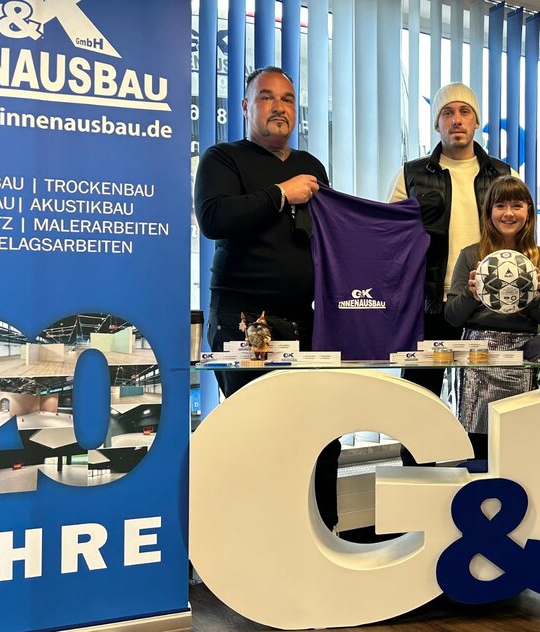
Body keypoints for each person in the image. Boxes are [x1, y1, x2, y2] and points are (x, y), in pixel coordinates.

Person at [194, 66, 342, 532]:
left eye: (288, 99)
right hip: (242, 321)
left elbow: (331, 236)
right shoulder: (223, 158)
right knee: (255, 436)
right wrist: (281, 193)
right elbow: (214, 218)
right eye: (266, 97)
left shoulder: (312, 165)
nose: (279, 107)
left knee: (320, 437)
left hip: (305, 320)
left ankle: (322, 538)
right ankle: (252, 542)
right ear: (245, 107)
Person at [387, 82, 514, 464]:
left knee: (484, 403)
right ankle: (414, 480)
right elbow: (390, 235)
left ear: (476, 122)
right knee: (419, 399)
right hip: (428, 305)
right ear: (437, 124)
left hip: (486, 307)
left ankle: (482, 483)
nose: (456, 119)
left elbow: (519, 233)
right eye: (447, 112)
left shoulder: (502, 173)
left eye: (464, 112)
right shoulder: (411, 174)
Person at [444, 176, 540, 460]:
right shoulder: (471, 255)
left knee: (517, 446)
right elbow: (452, 317)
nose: (508, 213)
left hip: (521, 355)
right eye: (500, 205)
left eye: (517, 205)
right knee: (476, 446)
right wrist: (472, 293)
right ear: (488, 212)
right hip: (476, 356)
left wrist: (531, 294)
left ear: (529, 212)